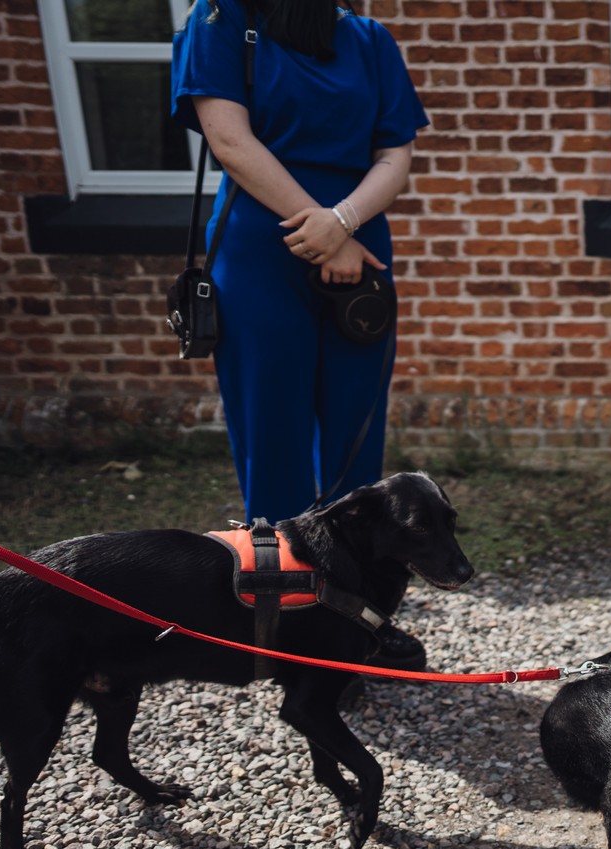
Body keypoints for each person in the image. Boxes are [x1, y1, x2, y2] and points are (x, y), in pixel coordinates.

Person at [171, 0, 429, 668]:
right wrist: (320, 228)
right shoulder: (219, 21)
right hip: (263, 248)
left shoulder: (368, 38)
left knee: (354, 441)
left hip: (361, 247)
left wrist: (340, 223)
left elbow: (395, 155)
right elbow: (229, 141)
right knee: (273, 436)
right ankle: (283, 627)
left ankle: (355, 621)